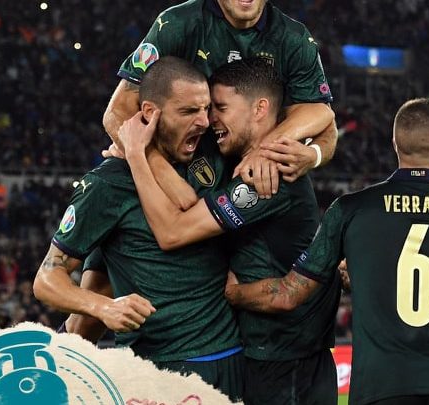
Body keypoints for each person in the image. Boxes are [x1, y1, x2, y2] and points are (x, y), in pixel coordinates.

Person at [225, 98, 429, 405]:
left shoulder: (350, 210)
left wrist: (235, 293)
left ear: (395, 145)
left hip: (380, 388)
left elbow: (288, 294)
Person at [116, 58, 340, 405]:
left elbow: (172, 233)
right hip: (274, 355)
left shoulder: (268, 175)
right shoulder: (242, 163)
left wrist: (137, 153)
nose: (210, 121)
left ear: (259, 109)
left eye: (220, 108)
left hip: (287, 361)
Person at [33, 56, 243, 401]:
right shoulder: (108, 184)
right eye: (188, 111)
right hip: (158, 369)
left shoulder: (215, 156)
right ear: (149, 112)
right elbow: (46, 279)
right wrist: (104, 307)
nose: (204, 121)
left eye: (206, 109)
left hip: (231, 360)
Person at [104, 0, 338, 198]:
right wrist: (158, 168)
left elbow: (324, 121)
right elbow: (119, 109)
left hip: (257, 182)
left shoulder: (294, 39)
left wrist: (309, 154)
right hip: (183, 170)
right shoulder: (177, 24)